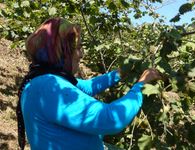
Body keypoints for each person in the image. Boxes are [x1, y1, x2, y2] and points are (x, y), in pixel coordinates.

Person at [16, 17, 161, 150]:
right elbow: (111, 119)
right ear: (62, 52)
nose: (82, 54)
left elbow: (86, 87)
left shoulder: (42, 79)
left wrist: (120, 73)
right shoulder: (50, 88)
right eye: (78, 48)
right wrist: (141, 85)